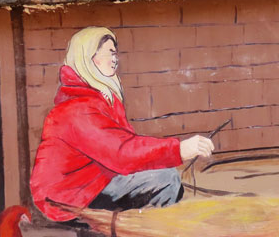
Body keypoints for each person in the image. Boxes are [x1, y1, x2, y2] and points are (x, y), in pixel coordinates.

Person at [30, 27, 214, 222]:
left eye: (115, 53)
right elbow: (122, 153)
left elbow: (125, 147)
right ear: (88, 57)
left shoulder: (99, 100)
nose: (114, 59)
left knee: (161, 176)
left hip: (89, 185)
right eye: (109, 53)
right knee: (166, 178)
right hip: (68, 198)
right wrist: (178, 150)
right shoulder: (77, 110)